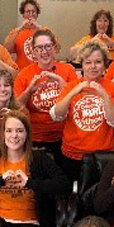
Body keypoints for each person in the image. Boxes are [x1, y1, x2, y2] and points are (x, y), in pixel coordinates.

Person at [51, 41, 114, 182]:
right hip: (72, 154)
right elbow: (56, 115)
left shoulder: (113, 88)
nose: (93, 67)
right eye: (88, 62)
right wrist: (73, 93)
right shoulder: (71, 87)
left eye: (97, 62)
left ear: (104, 64)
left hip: (103, 156)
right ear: (82, 64)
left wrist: (103, 93)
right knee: (73, 198)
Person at [14, 29, 79, 164]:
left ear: (54, 48)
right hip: (36, 138)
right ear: (33, 52)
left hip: (65, 137)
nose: (44, 51)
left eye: (48, 46)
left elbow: (78, 103)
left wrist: (61, 83)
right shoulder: (24, 74)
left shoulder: (68, 70)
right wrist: (29, 91)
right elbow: (15, 107)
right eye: (39, 48)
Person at [3, 0, 51, 71]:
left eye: (33, 11)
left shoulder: (44, 30)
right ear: (23, 15)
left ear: (37, 14)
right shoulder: (16, 32)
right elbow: (6, 50)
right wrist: (19, 29)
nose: (31, 14)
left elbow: (55, 47)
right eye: (28, 12)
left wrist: (38, 27)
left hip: (42, 72)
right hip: (22, 73)